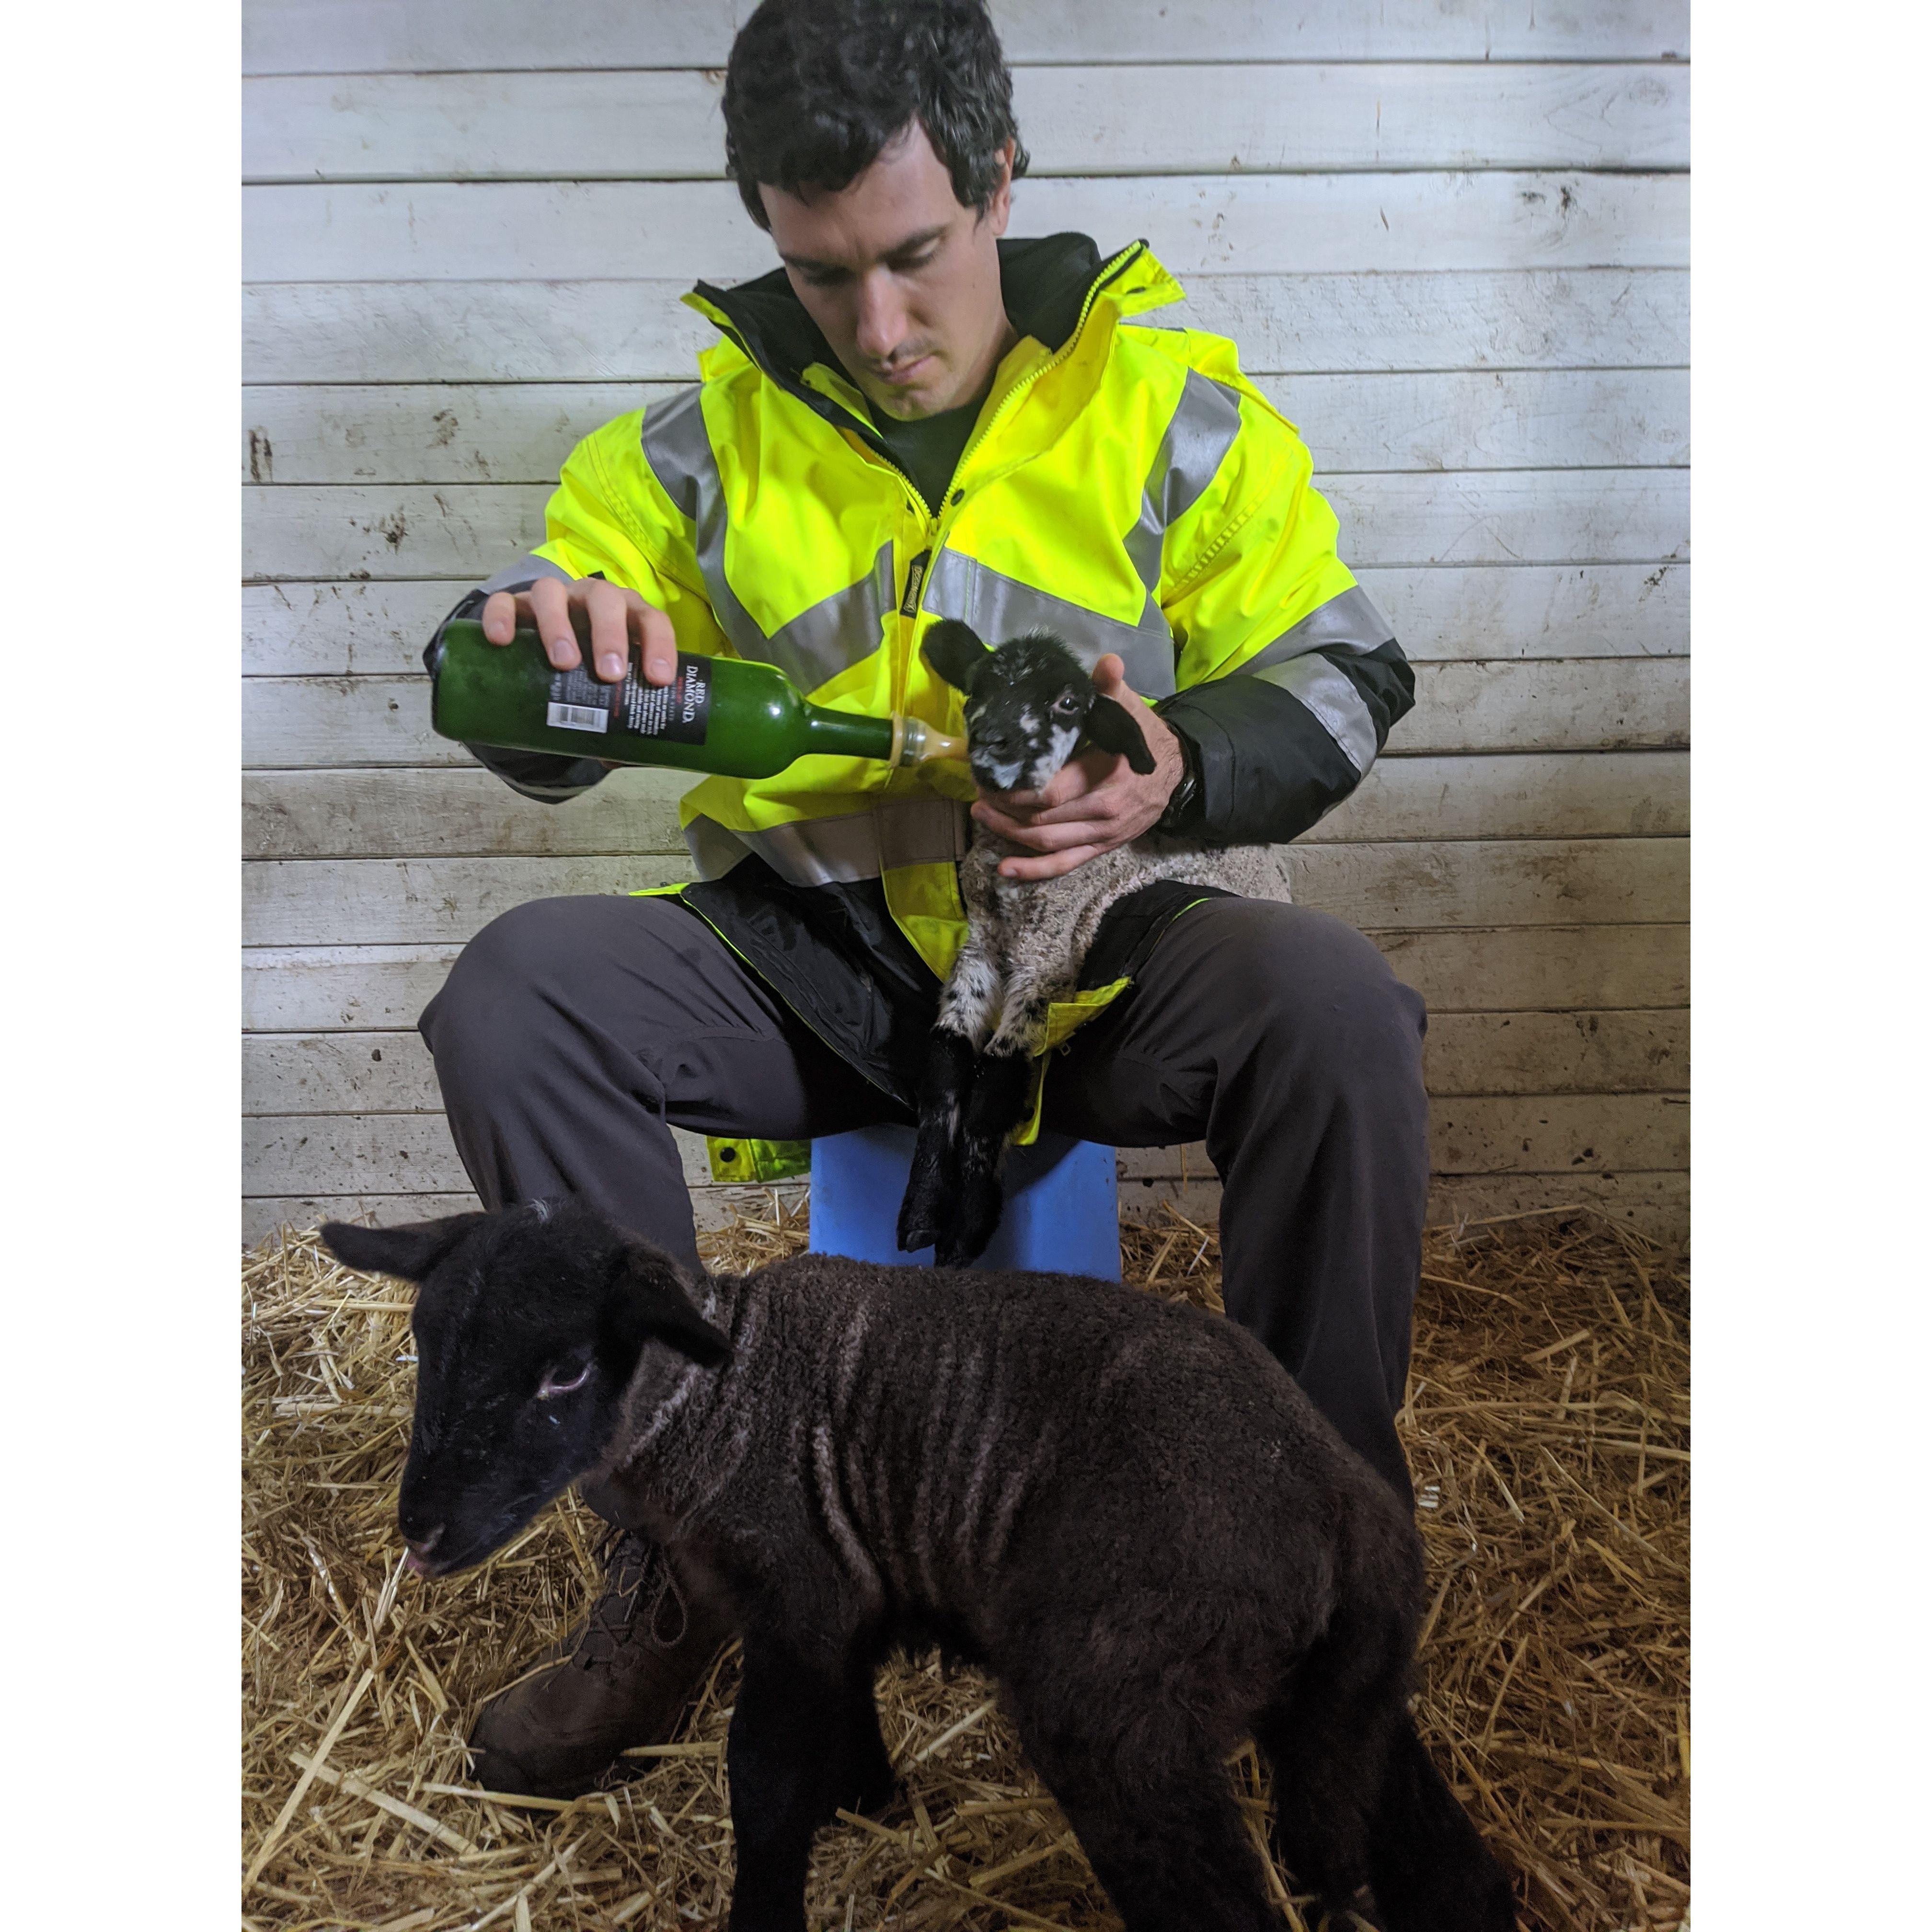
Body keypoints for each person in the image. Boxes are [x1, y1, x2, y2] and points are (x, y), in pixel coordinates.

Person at [417, 0, 1427, 1801]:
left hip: (1084, 970)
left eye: (913, 257)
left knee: (1338, 1008)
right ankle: (673, 1568)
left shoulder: (1169, 406)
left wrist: (1177, 760)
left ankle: (1327, 1583)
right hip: (808, 964)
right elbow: (521, 674)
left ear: (998, 177)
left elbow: (1350, 675)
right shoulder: (689, 445)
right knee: (517, 991)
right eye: (818, 276)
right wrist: (535, 639)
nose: (877, 329)